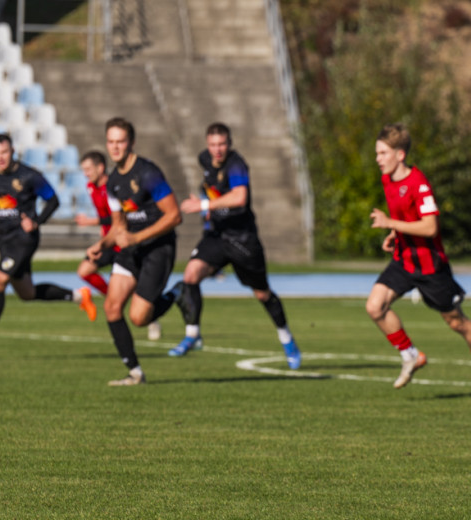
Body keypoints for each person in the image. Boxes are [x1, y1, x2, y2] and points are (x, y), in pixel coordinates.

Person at [365, 123, 471, 400]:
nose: (378, 159)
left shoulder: (419, 184)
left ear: (400, 154)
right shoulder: (388, 179)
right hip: (404, 260)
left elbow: (429, 228)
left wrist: (390, 222)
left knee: (457, 323)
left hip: (430, 267)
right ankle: (410, 354)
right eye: (377, 153)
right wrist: (393, 234)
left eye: (382, 153)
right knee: (375, 307)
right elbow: (405, 217)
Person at [171, 122, 301, 368]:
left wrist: (205, 206)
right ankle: (192, 334)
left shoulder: (237, 165)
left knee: (262, 294)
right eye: (213, 145)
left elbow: (240, 197)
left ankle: (287, 339)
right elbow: (211, 188)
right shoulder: (204, 159)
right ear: (207, 145)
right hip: (218, 236)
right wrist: (203, 200)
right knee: (191, 274)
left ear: (229, 144)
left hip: (243, 240)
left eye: (222, 144)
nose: (217, 150)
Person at [0, 133, 96, 356]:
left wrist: (37, 221)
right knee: (27, 293)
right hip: (4, 239)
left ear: (12, 151)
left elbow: (53, 200)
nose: (0, 158)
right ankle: (79, 296)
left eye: (4, 152)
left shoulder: (29, 176)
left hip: (24, 240)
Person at [86, 117, 182, 386]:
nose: (115, 147)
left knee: (139, 318)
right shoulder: (114, 181)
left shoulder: (148, 173)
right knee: (112, 307)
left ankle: (178, 293)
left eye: (120, 141)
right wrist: (102, 244)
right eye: (111, 141)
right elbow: (118, 226)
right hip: (132, 248)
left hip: (158, 248)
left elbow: (174, 216)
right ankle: (135, 373)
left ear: (131, 143)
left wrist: (136, 236)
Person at [75, 150, 162, 342]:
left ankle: (152, 318)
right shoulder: (91, 187)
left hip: (123, 242)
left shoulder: (113, 186)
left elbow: (119, 217)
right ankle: (113, 299)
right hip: (108, 242)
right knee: (84, 270)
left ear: (100, 167)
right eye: (83, 170)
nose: (86, 173)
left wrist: (92, 222)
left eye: (88, 169)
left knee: (139, 295)